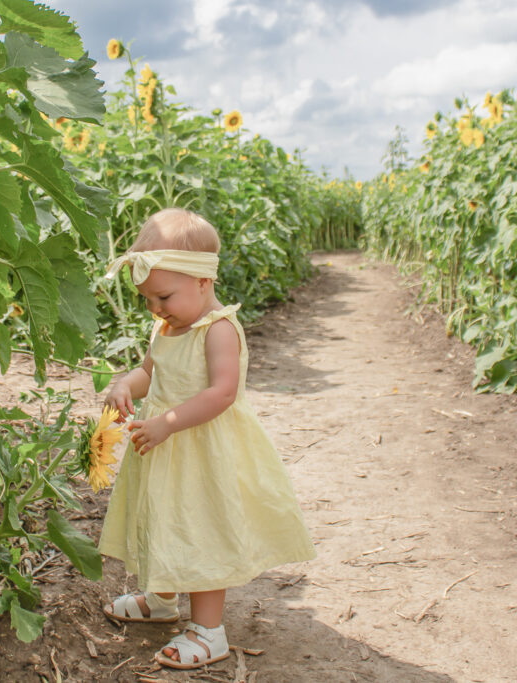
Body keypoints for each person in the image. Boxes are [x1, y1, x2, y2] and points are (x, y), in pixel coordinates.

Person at [98, 208, 316, 670]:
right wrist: (123, 384)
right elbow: (148, 371)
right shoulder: (166, 326)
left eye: (163, 296)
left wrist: (169, 422)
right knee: (161, 518)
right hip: (162, 446)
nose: (155, 309)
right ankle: (160, 599)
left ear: (201, 281)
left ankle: (208, 631)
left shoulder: (218, 329)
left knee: (199, 532)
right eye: (148, 300)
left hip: (199, 448)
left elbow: (222, 393)